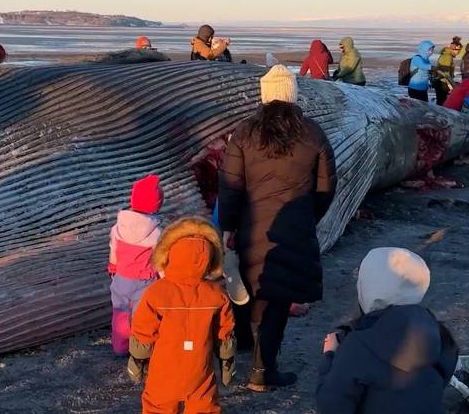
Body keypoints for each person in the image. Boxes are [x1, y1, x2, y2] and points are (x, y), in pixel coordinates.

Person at [218, 64, 337, 392]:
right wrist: (307, 217)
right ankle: (262, 369)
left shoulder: (244, 132)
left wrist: (228, 226)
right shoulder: (312, 133)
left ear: (265, 95)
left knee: (245, 283)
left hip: (250, 224)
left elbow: (230, 186)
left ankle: (243, 342)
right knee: (278, 297)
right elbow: (327, 186)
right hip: (294, 227)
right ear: (291, 93)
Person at [316, 248, 459, 414]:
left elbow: (331, 405)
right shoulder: (438, 332)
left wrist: (329, 357)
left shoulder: (359, 343)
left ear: (366, 286)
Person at [128, 217, 235, 414]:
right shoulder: (216, 294)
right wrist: (227, 361)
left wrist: (137, 360)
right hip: (200, 368)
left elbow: (143, 329)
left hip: (164, 369)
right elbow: (224, 331)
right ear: (210, 258)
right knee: (204, 406)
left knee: (158, 406)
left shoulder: (157, 292)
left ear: (169, 254)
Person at [108, 174, 163, 356]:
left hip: (121, 278)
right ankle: (141, 350)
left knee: (120, 313)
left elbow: (114, 250)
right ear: (156, 204)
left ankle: (120, 347)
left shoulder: (118, 227)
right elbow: (160, 260)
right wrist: (165, 278)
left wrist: (113, 267)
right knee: (143, 317)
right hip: (145, 282)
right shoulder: (156, 233)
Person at [434, 37, 462, 105]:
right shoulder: (448, 57)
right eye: (458, 50)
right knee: (442, 102)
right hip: (443, 83)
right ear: (454, 48)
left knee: (440, 101)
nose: (458, 52)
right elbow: (446, 74)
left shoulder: (446, 54)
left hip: (441, 82)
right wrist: (451, 85)